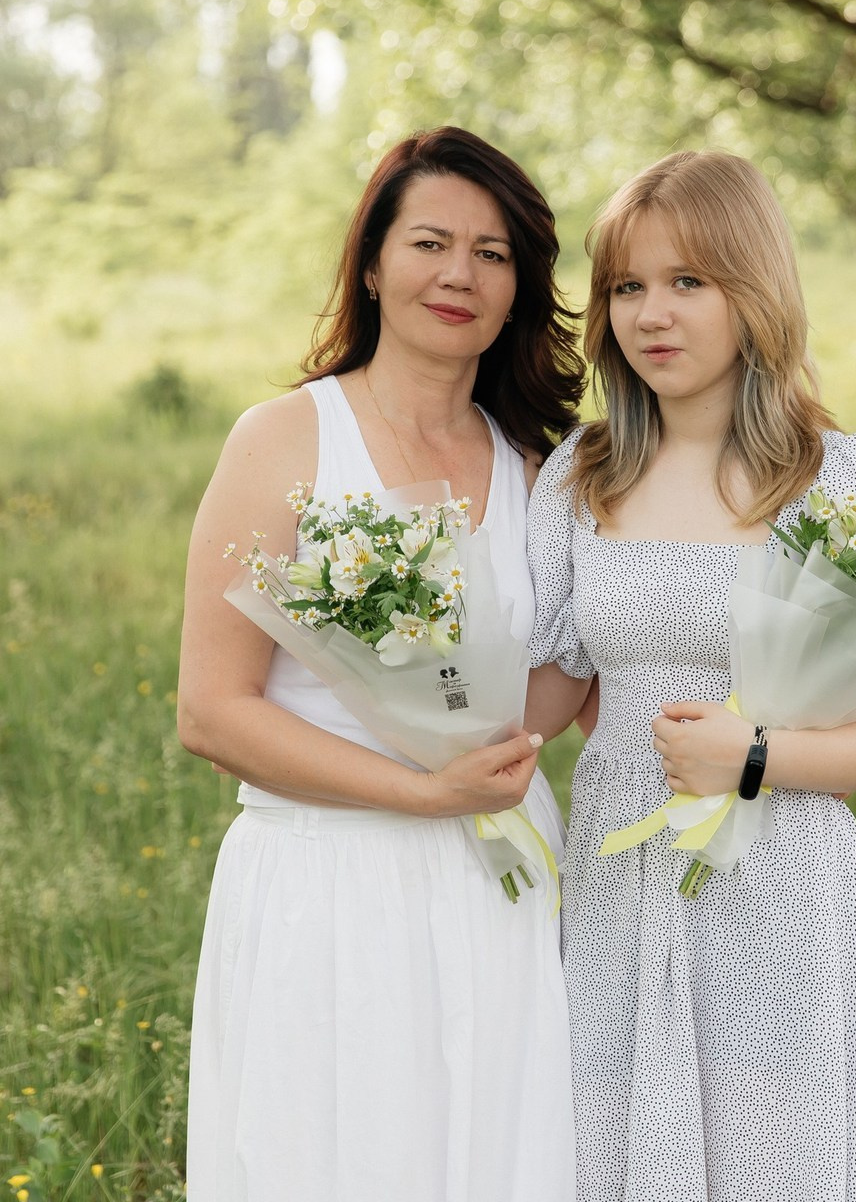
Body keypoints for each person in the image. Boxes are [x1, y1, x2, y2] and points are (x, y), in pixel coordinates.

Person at [524, 150, 856, 1201]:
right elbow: (538, 700)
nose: (649, 314)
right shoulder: (577, 476)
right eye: (625, 286)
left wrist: (751, 755)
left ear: (751, 290)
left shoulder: (839, 479)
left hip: (783, 876)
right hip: (618, 875)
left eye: (687, 282)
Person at [178, 127, 583, 1201]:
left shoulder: (537, 470)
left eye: (492, 255)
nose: (458, 274)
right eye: (430, 242)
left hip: (496, 871)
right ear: (370, 261)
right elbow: (212, 710)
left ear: (519, 292)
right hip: (329, 879)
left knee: (497, 1157)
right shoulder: (282, 439)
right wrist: (417, 789)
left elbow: (533, 696)